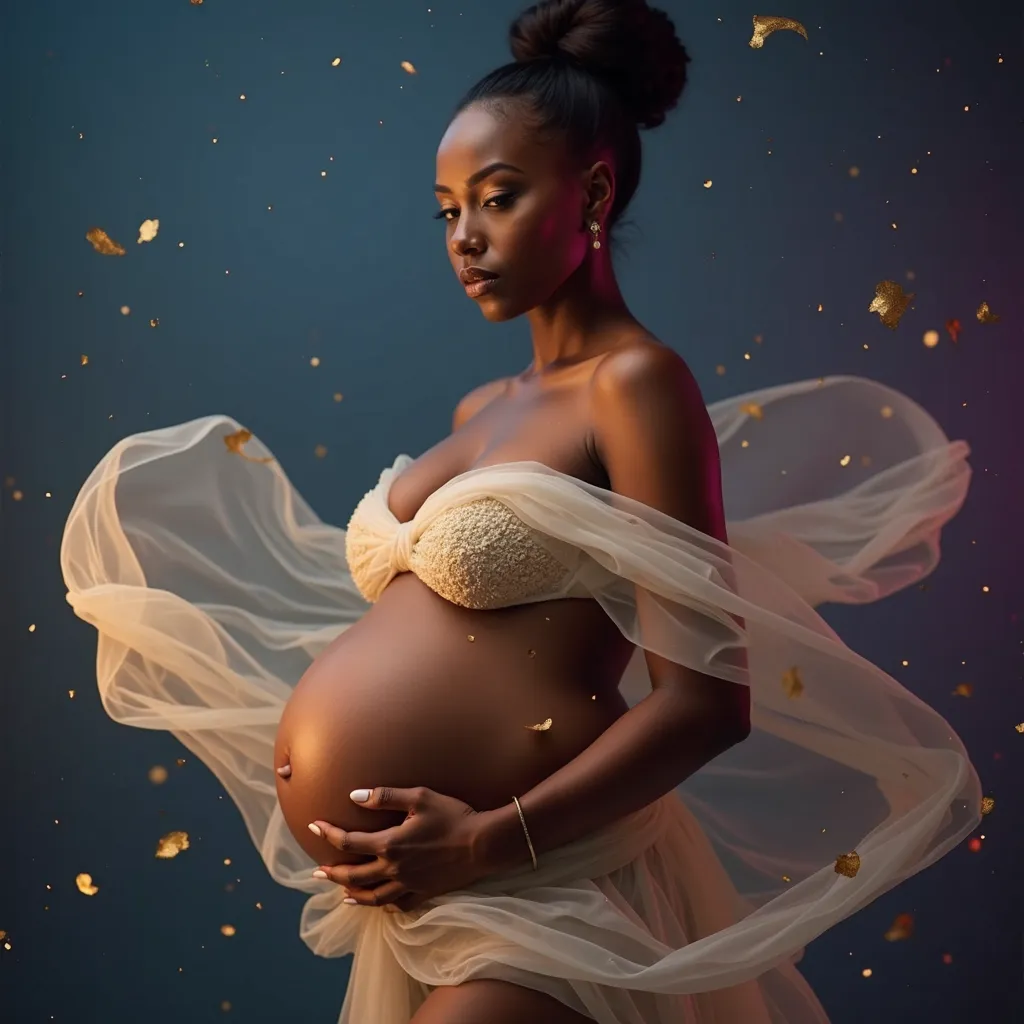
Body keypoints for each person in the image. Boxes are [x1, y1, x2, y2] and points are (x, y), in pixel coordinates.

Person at [60, 1, 981, 1022]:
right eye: (446, 208)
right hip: (427, 900)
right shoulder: (480, 411)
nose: (464, 237)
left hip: (540, 882)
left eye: (495, 199)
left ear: (589, 192)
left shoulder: (634, 387)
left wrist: (490, 839)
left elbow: (706, 701)